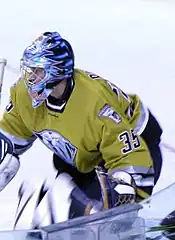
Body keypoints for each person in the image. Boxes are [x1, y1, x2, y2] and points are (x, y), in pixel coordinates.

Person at [0, 31, 163, 227]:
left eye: (38, 71)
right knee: (52, 203)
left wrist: (123, 195)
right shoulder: (24, 94)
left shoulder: (94, 103)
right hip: (84, 156)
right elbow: (9, 138)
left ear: (58, 71)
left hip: (134, 148)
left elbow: (131, 156)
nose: (30, 78)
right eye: (29, 70)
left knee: (83, 217)